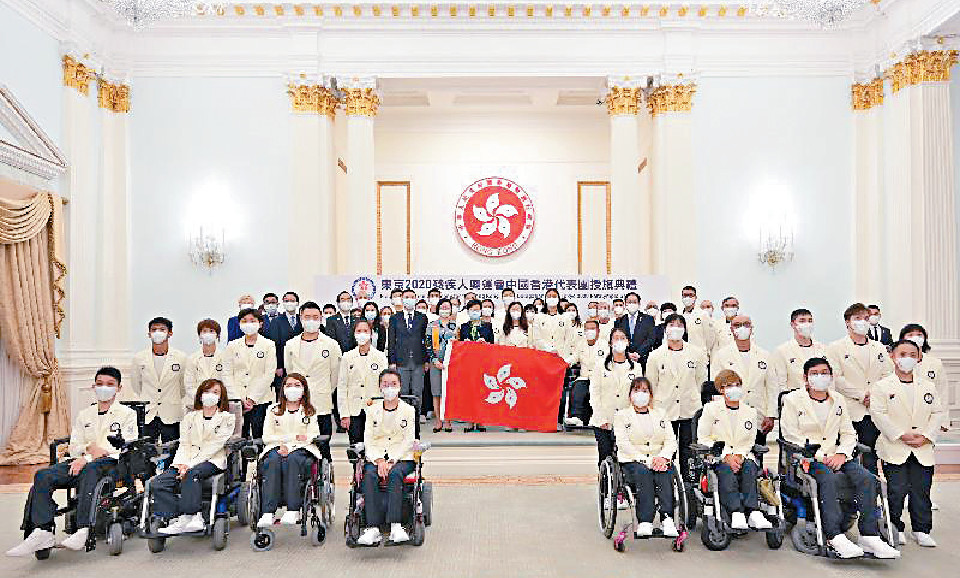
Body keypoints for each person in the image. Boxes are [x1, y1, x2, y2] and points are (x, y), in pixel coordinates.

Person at [6, 368, 137, 556]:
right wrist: (88, 450)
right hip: (80, 462)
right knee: (42, 475)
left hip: (111, 466)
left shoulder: (127, 414)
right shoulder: (85, 414)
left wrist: (90, 455)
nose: (104, 388)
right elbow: (74, 445)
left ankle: (83, 529)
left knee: (91, 469)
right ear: (93, 386)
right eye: (99, 384)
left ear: (119, 388)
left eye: (110, 384)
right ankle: (43, 530)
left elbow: (122, 447)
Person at [780, 358, 901, 558]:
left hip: (838, 455)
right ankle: (834, 535)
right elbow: (791, 435)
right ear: (805, 378)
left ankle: (869, 536)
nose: (820, 377)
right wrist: (819, 456)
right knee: (828, 479)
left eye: (825, 373)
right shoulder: (792, 400)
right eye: (815, 373)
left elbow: (848, 432)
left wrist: (842, 453)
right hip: (809, 459)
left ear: (831, 376)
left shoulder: (838, 399)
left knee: (867, 478)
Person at [871, 340, 945, 548]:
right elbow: (878, 414)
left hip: (922, 447)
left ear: (919, 357)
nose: (908, 358)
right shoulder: (882, 386)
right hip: (895, 447)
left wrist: (927, 435)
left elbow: (937, 412)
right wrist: (900, 434)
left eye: (913, 354)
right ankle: (895, 526)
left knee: (922, 490)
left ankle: (922, 529)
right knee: (896, 489)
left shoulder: (927, 386)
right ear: (893, 357)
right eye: (903, 354)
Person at [154, 379, 236, 535]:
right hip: (186, 460)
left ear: (221, 397)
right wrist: (179, 464)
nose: (210, 395)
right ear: (200, 396)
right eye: (207, 392)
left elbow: (215, 445)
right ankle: (181, 517)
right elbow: (184, 443)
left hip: (212, 460)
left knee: (192, 474)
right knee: (158, 483)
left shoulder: (227, 418)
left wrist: (190, 465)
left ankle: (194, 516)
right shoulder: (189, 418)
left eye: (215, 392)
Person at [697, 369, 772, 531]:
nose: (734, 388)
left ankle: (753, 511)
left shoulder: (750, 412)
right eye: (729, 385)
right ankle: (736, 512)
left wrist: (740, 455)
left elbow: (750, 440)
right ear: (721, 389)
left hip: (742, 455)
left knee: (750, 467)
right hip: (718, 456)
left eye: (737, 385)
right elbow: (703, 438)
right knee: (725, 469)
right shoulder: (710, 409)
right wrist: (726, 455)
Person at [826, 303, 893, 473]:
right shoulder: (835, 348)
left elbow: (888, 374)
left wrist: (874, 394)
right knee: (848, 456)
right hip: (849, 409)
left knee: (870, 457)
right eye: (857, 319)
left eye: (865, 318)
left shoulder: (879, 347)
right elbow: (836, 378)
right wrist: (861, 395)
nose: (862, 322)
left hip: (874, 409)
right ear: (847, 322)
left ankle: (871, 494)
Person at [357, 370, 419, 546]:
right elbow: (368, 438)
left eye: (393, 384)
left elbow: (408, 439)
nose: (389, 387)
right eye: (385, 384)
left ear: (399, 387)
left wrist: (392, 460)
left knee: (395, 475)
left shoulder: (409, 410)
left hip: (401, 457)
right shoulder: (371, 410)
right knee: (368, 476)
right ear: (379, 387)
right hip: (376, 457)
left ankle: (396, 526)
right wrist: (378, 460)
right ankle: (372, 528)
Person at [613, 377, 679, 538]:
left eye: (645, 391)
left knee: (665, 472)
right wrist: (646, 460)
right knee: (644, 473)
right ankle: (645, 521)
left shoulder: (661, 414)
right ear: (630, 395)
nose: (641, 394)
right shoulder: (621, 416)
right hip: (633, 461)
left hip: (659, 459)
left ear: (650, 395)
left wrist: (663, 457)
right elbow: (623, 444)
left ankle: (667, 518)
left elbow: (671, 440)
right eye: (636, 390)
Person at [646, 314, 708, 485]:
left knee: (688, 452)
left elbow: (700, 381)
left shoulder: (696, 353)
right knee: (666, 450)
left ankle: (688, 488)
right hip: (665, 410)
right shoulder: (656, 356)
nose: (675, 328)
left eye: (679, 325)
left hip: (690, 409)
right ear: (665, 329)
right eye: (671, 325)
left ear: (685, 329)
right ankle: (666, 485)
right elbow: (651, 385)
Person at [257, 373, 323, 527]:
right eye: (289, 385)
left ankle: (293, 509)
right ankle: (268, 512)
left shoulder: (310, 411)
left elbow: (312, 434)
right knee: (272, 460)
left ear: (304, 390)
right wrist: (290, 439)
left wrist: (290, 445)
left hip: (302, 449)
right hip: (275, 447)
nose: (292, 388)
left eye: (297, 385)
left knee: (293, 459)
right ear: (283, 389)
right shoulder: (273, 410)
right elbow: (267, 436)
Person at [285, 302, 341, 459]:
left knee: (323, 444)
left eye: (315, 317)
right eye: (307, 317)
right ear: (301, 318)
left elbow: (335, 374)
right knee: (298, 444)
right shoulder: (290, 345)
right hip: (297, 401)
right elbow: (290, 372)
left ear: (321, 319)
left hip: (321, 401)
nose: (311, 321)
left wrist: (325, 389)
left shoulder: (331, 344)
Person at [710, 315, 777, 444]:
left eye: (746, 324)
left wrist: (771, 415)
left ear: (751, 328)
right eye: (737, 325)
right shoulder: (721, 356)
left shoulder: (765, 355)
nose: (742, 328)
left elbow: (772, 388)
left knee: (756, 458)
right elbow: (716, 389)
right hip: (729, 417)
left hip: (759, 417)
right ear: (731, 329)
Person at [130, 316, 187, 442]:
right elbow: (136, 385)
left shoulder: (181, 357)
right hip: (148, 414)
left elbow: (183, 386)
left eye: (162, 329)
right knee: (146, 452)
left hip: (171, 413)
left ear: (170, 333)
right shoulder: (139, 358)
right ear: (149, 334)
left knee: (171, 451)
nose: (157, 333)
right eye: (154, 330)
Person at [226, 308, 277, 439]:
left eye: (252, 321)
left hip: (261, 399)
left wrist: (252, 398)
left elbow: (269, 374)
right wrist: (239, 397)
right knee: (238, 436)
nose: (248, 324)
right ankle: (239, 460)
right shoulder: (232, 346)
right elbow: (227, 374)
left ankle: (260, 459)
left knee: (259, 435)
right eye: (244, 321)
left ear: (260, 323)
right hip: (237, 400)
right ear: (239, 324)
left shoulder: (269, 345)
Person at [589, 328, 636, 465]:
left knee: (626, 459)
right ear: (610, 343)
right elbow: (595, 394)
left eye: (623, 338)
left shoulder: (636, 368)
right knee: (605, 458)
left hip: (627, 422)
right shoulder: (600, 366)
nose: (619, 341)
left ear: (628, 342)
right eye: (616, 338)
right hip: (603, 420)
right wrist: (601, 417)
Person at [338, 319, 389, 445]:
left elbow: (385, 385)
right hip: (354, 409)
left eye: (365, 331)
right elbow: (342, 386)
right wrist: (344, 414)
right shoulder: (347, 357)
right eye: (359, 331)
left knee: (375, 446)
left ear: (371, 333)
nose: (362, 334)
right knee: (356, 448)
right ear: (354, 334)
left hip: (374, 409)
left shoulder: (380, 357)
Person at [389, 289, 429, 410]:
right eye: (407, 297)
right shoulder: (395, 318)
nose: (409, 299)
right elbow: (391, 340)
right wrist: (392, 361)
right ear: (402, 299)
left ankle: (416, 418)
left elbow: (425, 340)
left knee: (418, 391)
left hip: (418, 360)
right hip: (401, 360)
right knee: (403, 391)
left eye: (412, 297)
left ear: (415, 300)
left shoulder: (422, 317)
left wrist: (426, 360)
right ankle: (404, 418)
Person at [772, 308, 827, 394]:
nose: (807, 324)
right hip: (795, 401)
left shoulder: (823, 349)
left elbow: (830, 379)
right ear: (793, 324)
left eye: (810, 321)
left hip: (821, 398)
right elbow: (781, 384)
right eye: (802, 321)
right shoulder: (782, 351)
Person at [900, 324, 949, 420]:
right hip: (902, 415)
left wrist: (944, 420)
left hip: (928, 416)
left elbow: (942, 392)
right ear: (903, 339)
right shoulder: (895, 361)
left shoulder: (935, 363)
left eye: (919, 335)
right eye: (910, 335)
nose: (915, 338)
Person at [460, 299, 494, 432]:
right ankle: (469, 421)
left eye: (477, 310)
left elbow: (492, 344)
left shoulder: (487, 326)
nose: (475, 312)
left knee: (482, 391)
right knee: (469, 392)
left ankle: (480, 420)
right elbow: (460, 344)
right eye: (472, 310)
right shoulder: (463, 326)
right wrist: (466, 343)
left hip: (483, 363)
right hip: (468, 364)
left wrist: (485, 343)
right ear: (468, 311)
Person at [426, 299, 458, 432]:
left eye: (447, 307)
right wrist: (434, 361)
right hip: (436, 362)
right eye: (442, 307)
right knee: (437, 392)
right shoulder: (432, 325)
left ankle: (448, 421)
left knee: (448, 393)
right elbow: (428, 345)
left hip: (451, 363)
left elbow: (458, 345)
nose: (445, 309)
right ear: (438, 309)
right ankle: (439, 421)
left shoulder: (455, 326)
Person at [263, 291, 303, 394]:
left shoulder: (302, 319)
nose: (289, 303)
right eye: (287, 301)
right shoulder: (277, 321)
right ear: (283, 303)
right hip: (283, 363)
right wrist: (278, 366)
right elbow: (275, 344)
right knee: (283, 391)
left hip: (300, 361)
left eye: (292, 300)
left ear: (297, 303)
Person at [185, 319, 232, 396]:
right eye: (204, 331)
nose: (208, 334)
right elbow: (189, 386)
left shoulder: (225, 357)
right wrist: (202, 398)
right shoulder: (192, 359)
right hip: (198, 401)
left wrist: (218, 397)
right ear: (199, 335)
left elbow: (229, 382)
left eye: (211, 331)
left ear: (217, 335)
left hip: (221, 401)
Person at [613, 291, 657, 371]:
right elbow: (617, 340)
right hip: (625, 360)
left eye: (634, 302)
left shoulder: (648, 319)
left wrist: (638, 353)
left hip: (644, 359)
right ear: (625, 304)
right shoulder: (619, 321)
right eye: (629, 302)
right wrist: (627, 354)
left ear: (639, 304)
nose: (632, 304)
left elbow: (651, 339)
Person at [679, 285, 715, 355]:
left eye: (690, 295)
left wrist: (704, 350)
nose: (687, 298)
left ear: (695, 297)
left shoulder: (703, 314)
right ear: (682, 297)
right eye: (685, 295)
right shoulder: (678, 314)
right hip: (681, 353)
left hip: (698, 353)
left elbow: (710, 337)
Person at [533, 288, 569, 354]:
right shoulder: (538, 317)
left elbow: (568, 339)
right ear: (545, 299)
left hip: (561, 354)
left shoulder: (566, 316)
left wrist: (564, 355)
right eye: (549, 296)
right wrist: (549, 349)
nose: (551, 298)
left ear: (558, 299)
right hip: (543, 354)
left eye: (554, 296)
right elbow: (537, 338)